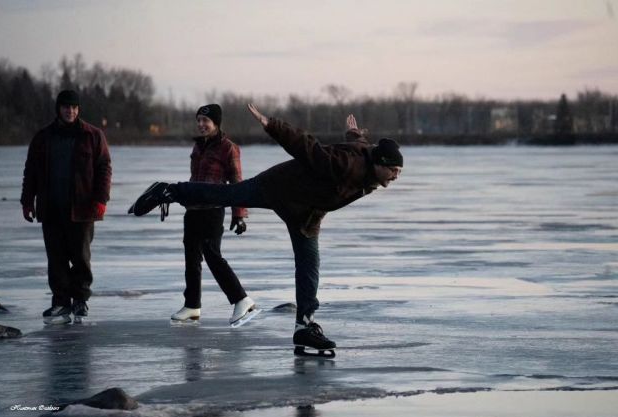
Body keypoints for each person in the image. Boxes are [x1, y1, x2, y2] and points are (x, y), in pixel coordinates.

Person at [129, 104, 403, 357]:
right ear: (379, 164)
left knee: (309, 265)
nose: (395, 176)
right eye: (393, 170)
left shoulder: (369, 163)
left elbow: (360, 145)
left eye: (398, 171)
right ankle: (169, 191)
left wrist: (354, 134)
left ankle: (304, 327)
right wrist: (272, 125)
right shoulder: (348, 165)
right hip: (278, 187)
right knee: (227, 195)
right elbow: (307, 147)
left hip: (305, 213)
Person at [21, 89, 112, 325]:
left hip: (82, 209)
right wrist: (27, 201)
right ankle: (61, 303)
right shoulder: (43, 137)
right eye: (65, 107)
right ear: (58, 109)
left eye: (73, 107)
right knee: (56, 259)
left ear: (78, 110)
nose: (70, 111)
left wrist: (101, 200)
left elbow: (104, 168)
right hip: (51, 208)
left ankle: (80, 300)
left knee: (81, 257)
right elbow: (30, 171)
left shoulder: (93, 135)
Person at [170, 104, 258, 326]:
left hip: (213, 210)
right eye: (198, 120)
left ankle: (242, 299)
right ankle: (192, 305)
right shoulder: (198, 146)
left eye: (205, 121)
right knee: (191, 258)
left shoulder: (228, 148)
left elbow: (237, 183)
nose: (201, 124)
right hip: (193, 210)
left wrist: (239, 214)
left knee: (212, 256)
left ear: (216, 123)